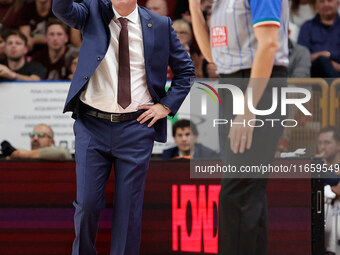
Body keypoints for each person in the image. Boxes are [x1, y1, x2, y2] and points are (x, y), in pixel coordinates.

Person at [52, 0, 195, 254]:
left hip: (136, 127)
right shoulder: (92, 11)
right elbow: (62, 10)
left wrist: (165, 107)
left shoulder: (160, 24)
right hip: (91, 124)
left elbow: (186, 71)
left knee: (128, 210)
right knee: (87, 204)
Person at [189, 0, 289, 254]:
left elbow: (268, 44)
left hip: (257, 88)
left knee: (237, 193)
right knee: (249, 191)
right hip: (232, 85)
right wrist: (194, 8)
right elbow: (212, 55)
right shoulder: (220, 3)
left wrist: (248, 109)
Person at [298, 0, 340, 78]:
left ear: (337, 4)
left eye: (329, 1)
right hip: (314, 74)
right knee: (322, 61)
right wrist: (321, 55)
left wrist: (328, 55)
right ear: (316, 6)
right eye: (321, 1)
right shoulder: (307, 27)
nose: (325, 4)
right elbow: (302, 57)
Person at [317, 127, 340, 255]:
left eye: (327, 143)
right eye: (319, 143)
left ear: (338, 145)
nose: (322, 147)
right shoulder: (315, 166)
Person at [1, 124, 72, 160]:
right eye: (32, 135)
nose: (35, 138)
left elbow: (62, 153)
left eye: (40, 135)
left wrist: (25, 154)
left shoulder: (23, 155)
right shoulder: (21, 159)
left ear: (51, 142)